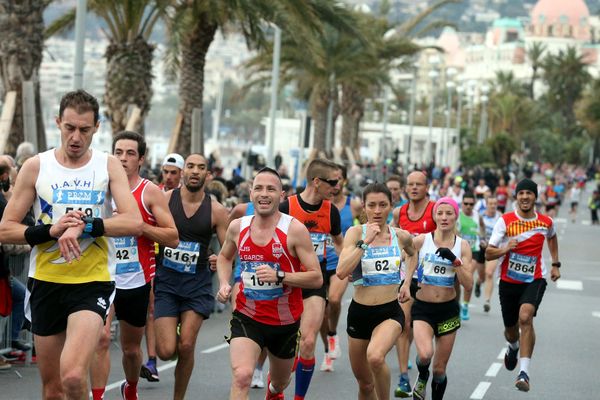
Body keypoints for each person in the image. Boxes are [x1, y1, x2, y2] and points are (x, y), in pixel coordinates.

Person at [0, 90, 143, 399]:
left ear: (97, 128)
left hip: (92, 282)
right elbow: (6, 229)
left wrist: (86, 226)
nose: (76, 137)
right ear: (58, 123)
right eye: (70, 128)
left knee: (75, 376)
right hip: (46, 282)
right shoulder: (37, 166)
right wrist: (51, 231)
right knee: (53, 390)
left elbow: (133, 221)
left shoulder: (107, 166)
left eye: (84, 130)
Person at [216, 167, 323, 400]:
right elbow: (224, 257)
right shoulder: (238, 227)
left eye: (271, 189)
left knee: (280, 382)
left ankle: (273, 392)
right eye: (259, 188)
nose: (264, 194)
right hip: (247, 315)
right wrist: (224, 283)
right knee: (242, 376)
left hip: (285, 321)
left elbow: (316, 277)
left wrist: (281, 276)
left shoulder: (294, 230)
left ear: (282, 195)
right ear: (251, 194)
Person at [90, 131, 179, 400]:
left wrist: (140, 227)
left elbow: (173, 237)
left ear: (140, 159)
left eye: (130, 153)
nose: (123, 158)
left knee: (130, 349)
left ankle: (130, 387)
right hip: (101, 275)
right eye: (118, 152)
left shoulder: (149, 192)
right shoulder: (99, 189)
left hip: (135, 280)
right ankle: (97, 396)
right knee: (102, 339)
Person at [153, 153, 228, 400]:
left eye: (201, 168)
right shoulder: (164, 200)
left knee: (186, 345)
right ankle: (172, 332)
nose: (195, 171)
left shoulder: (216, 211)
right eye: (190, 166)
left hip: (197, 284)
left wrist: (220, 258)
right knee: (165, 351)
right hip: (166, 282)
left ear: (208, 175)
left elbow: (229, 250)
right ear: (183, 171)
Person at [337, 183, 415, 400]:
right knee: (364, 384)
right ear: (364, 206)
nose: (378, 211)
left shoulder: (401, 236)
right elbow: (342, 271)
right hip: (359, 313)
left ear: (392, 205)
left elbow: (412, 254)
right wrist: (365, 242)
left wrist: (407, 282)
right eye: (372, 205)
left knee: (375, 357)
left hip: (389, 312)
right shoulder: (355, 234)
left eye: (383, 205)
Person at [485, 178, 561, 392]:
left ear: (535, 197)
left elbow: (552, 238)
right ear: (516, 197)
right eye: (521, 193)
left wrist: (555, 263)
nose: (525, 197)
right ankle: (513, 346)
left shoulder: (546, 222)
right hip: (508, 282)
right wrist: (505, 248)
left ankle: (524, 373)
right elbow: (489, 252)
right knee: (511, 330)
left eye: (529, 193)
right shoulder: (505, 221)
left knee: (525, 317)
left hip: (535, 278)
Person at [279, 158, 343, 399]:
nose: (336, 187)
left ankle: (298, 397)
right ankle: (276, 387)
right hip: (285, 283)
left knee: (307, 342)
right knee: (283, 347)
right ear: (317, 182)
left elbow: (339, 243)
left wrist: (349, 265)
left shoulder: (331, 211)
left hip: (315, 283)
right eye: (332, 182)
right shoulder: (286, 207)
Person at [400, 197, 473, 400]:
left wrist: (455, 261)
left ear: (456, 216)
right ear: (434, 216)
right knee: (424, 355)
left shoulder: (463, 245)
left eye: (449, 213)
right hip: (423, 308)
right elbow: (403, 256)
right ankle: (422, 376)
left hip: (448, 309)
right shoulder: (422, 240)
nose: (444, 217)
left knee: (440, 370)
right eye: (440, 213)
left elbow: (468, 284)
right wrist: (406, 283)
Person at [391, 170, 437, 398]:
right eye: (411, 184)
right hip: (405, 274)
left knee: (422, 327)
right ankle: (403, 377)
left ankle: (422, 365)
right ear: (406, 187)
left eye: (419, 184)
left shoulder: (435, 210)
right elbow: (390, 237)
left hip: (430, 277)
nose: (414, 188)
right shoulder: (399, 212)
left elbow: (448, 238)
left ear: (426, 186)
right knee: (403, 323)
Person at [140, 152, 185, 382]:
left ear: (182, 175)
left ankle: (176, 335)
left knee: (176, 319)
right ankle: (151, 360)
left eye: (173, 173)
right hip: (156, 260)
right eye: (165, 172)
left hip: (182, 268)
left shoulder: (186, 199)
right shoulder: (156, 195)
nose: (168, 177)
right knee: (151, 309)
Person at [320, 164, 357, 372]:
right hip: (316, 263)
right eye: (330, 180)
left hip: (340, 263)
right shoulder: (317, 205)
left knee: (333, 300)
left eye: (338, 179)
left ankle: (333, 333)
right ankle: (328, 348)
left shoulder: (353, 206)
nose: (334, 185)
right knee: (320, 314)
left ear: (344, 180)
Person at [457, 192, 485, 321]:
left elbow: (482, 226)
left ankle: (465, 306)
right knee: (456, 281)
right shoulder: (457, 215)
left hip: (474, 251)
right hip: (458, 251)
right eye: (466, 203)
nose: (468, 206)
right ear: (462, 203)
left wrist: (483, 238)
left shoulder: (477, 216)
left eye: (471, 204)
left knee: (469, 276)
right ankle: (456, 305)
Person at [480, 196, 502, 313]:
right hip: (480, 247)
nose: (493, 206)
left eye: (495, 203)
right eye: (491, 203)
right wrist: (481, 241)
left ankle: (487, 301)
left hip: (493, 248)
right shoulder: (481, 216)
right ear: (486, 204)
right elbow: (476, 230)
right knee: (481, 275)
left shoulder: (500, 217)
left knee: (489, 273)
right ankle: (479, 283)